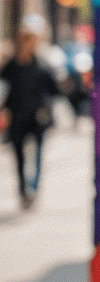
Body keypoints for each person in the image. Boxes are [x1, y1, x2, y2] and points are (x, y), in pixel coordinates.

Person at [2, 16, 56, 210]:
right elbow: (3, 89)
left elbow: (54, 89)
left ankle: (32, 189)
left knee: (37, 154)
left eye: (33, 39)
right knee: (19, 157)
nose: (30, 43)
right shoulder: (11, 66)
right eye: (27, 38)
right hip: (16, 117)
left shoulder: (42, 65)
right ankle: (24, 190)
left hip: (37, 117)